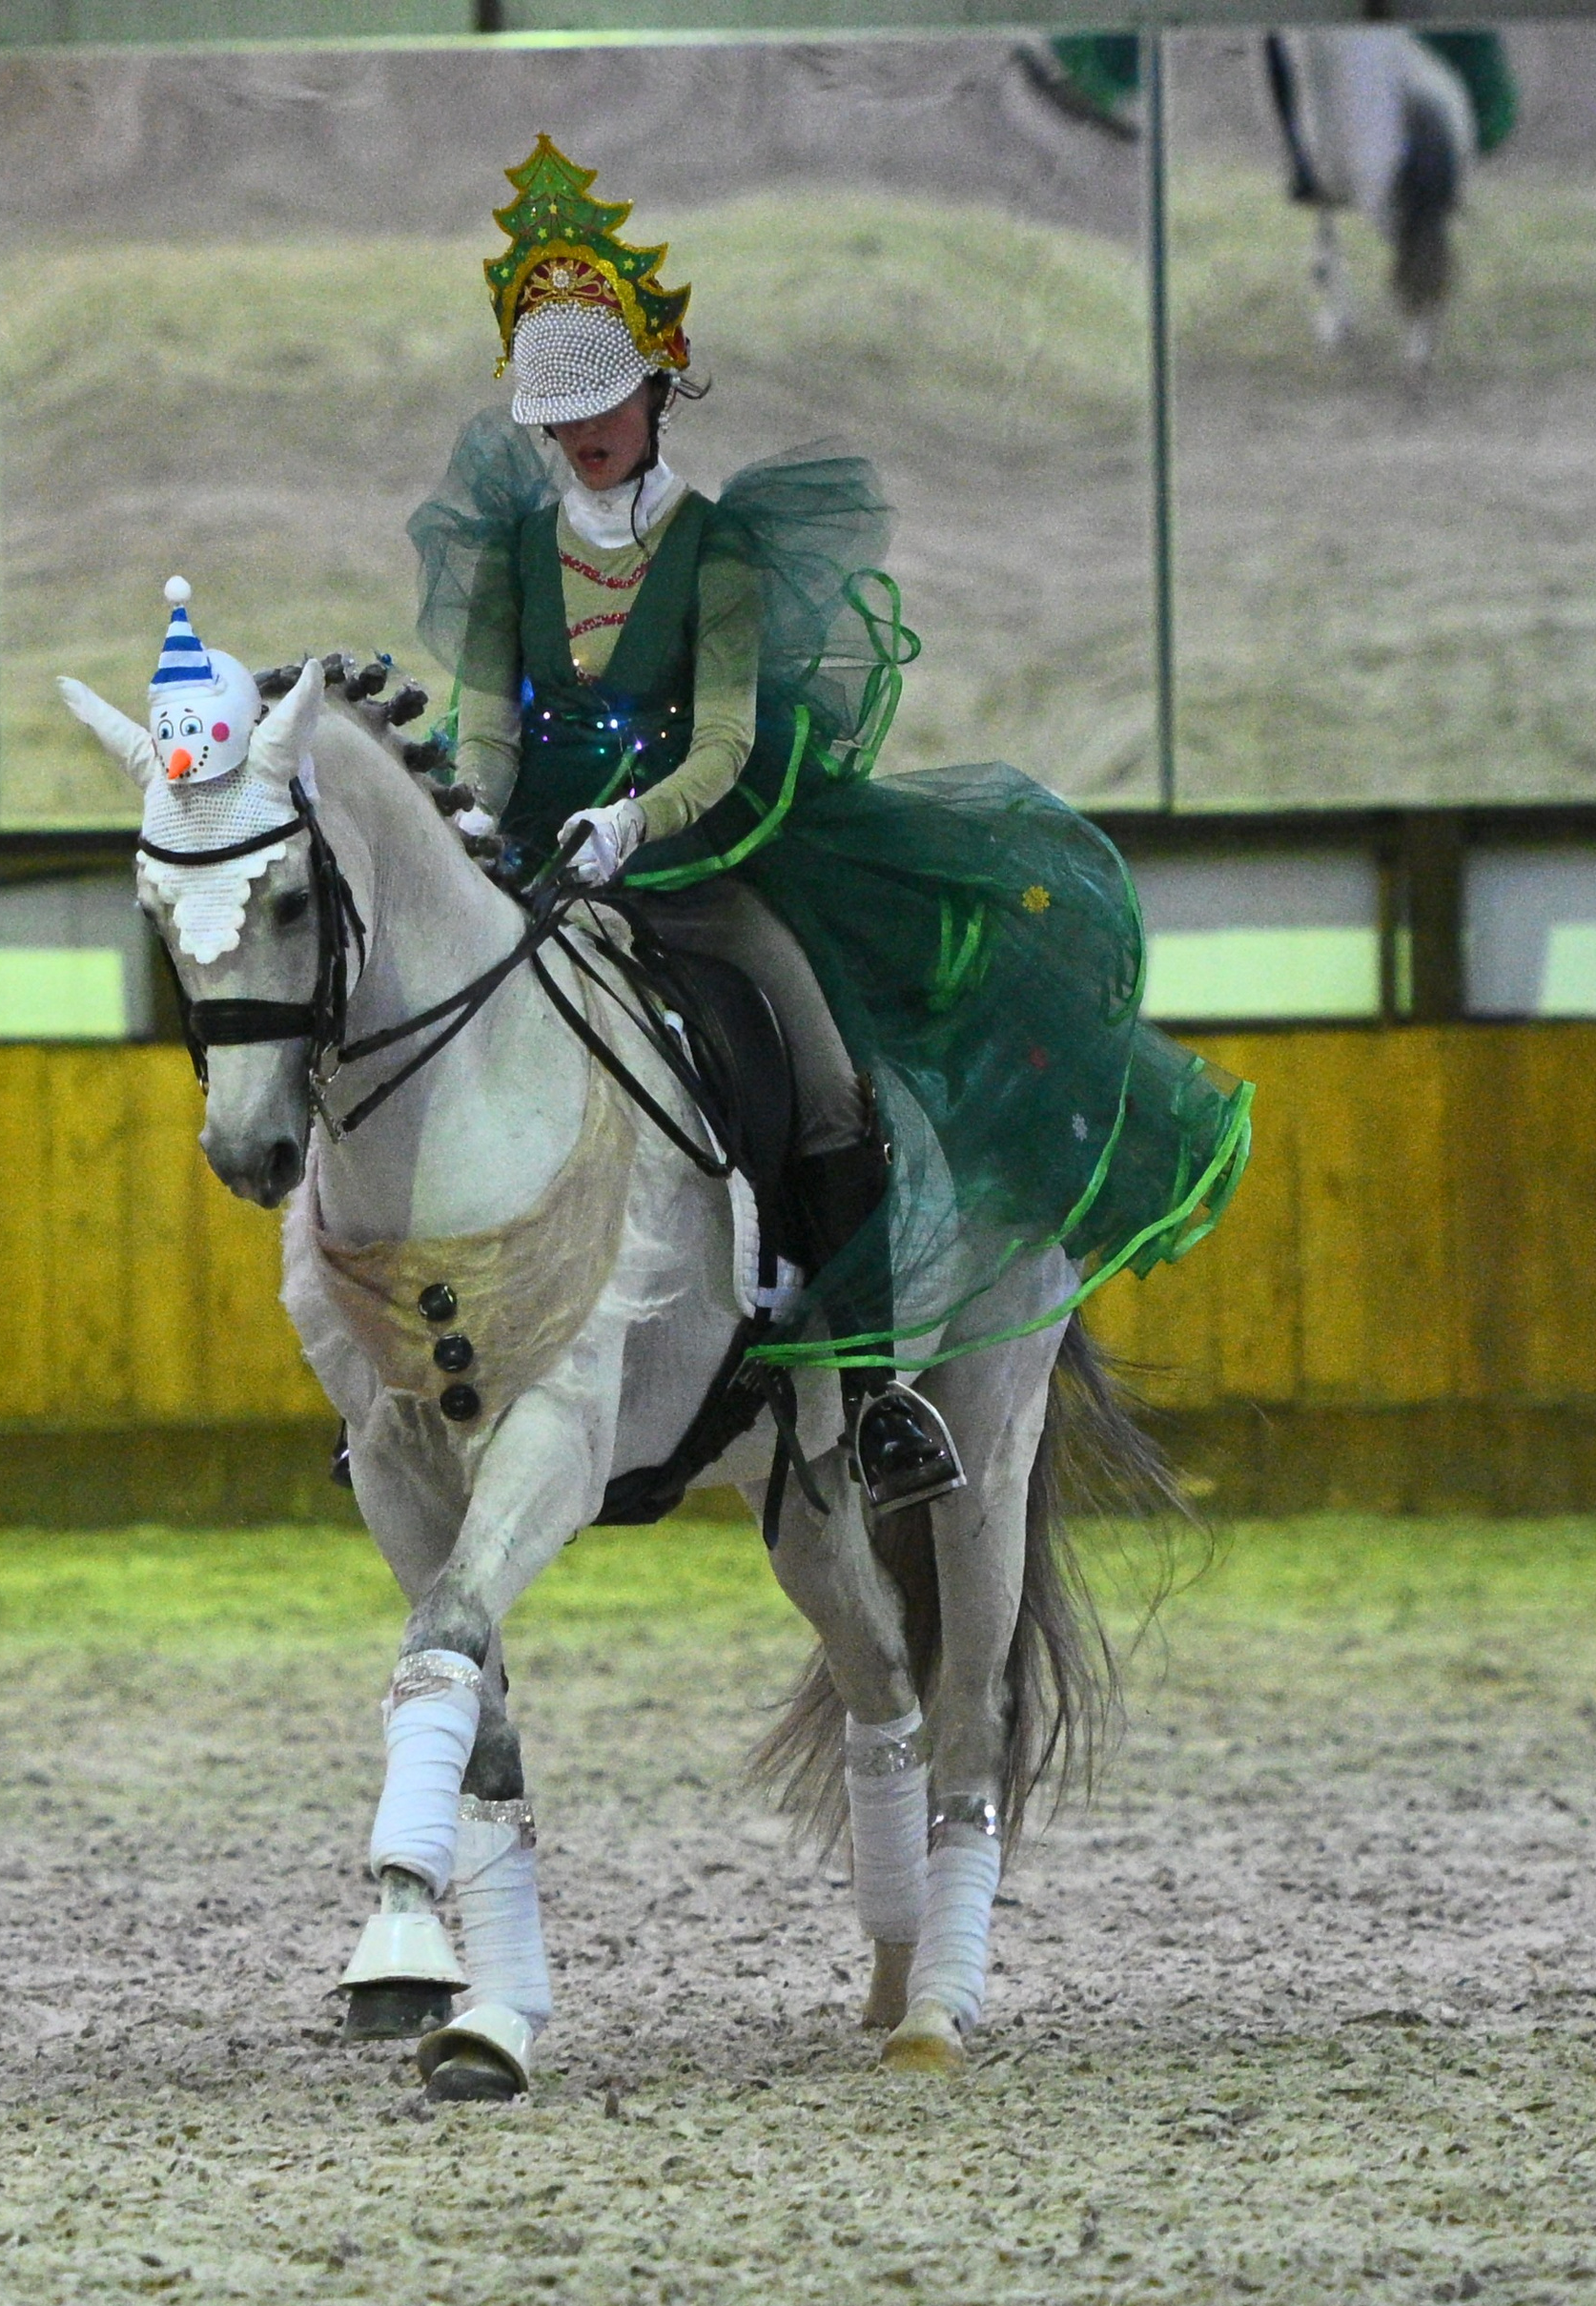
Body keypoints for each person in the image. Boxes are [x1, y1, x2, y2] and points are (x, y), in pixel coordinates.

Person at [410, 137, 1251, 1512]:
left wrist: (633, 822)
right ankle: (407, 1381)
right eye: (559, 411)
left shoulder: (718, 548)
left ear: (655, 381)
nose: (585, 429)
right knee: (420, 1048)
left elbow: (729, 739)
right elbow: (490, 724)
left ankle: (871, 1394)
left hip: (701, 864)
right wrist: (478, 813)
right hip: (541, 871)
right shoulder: (512, 551)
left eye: (605, 397)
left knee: (824, 1078)